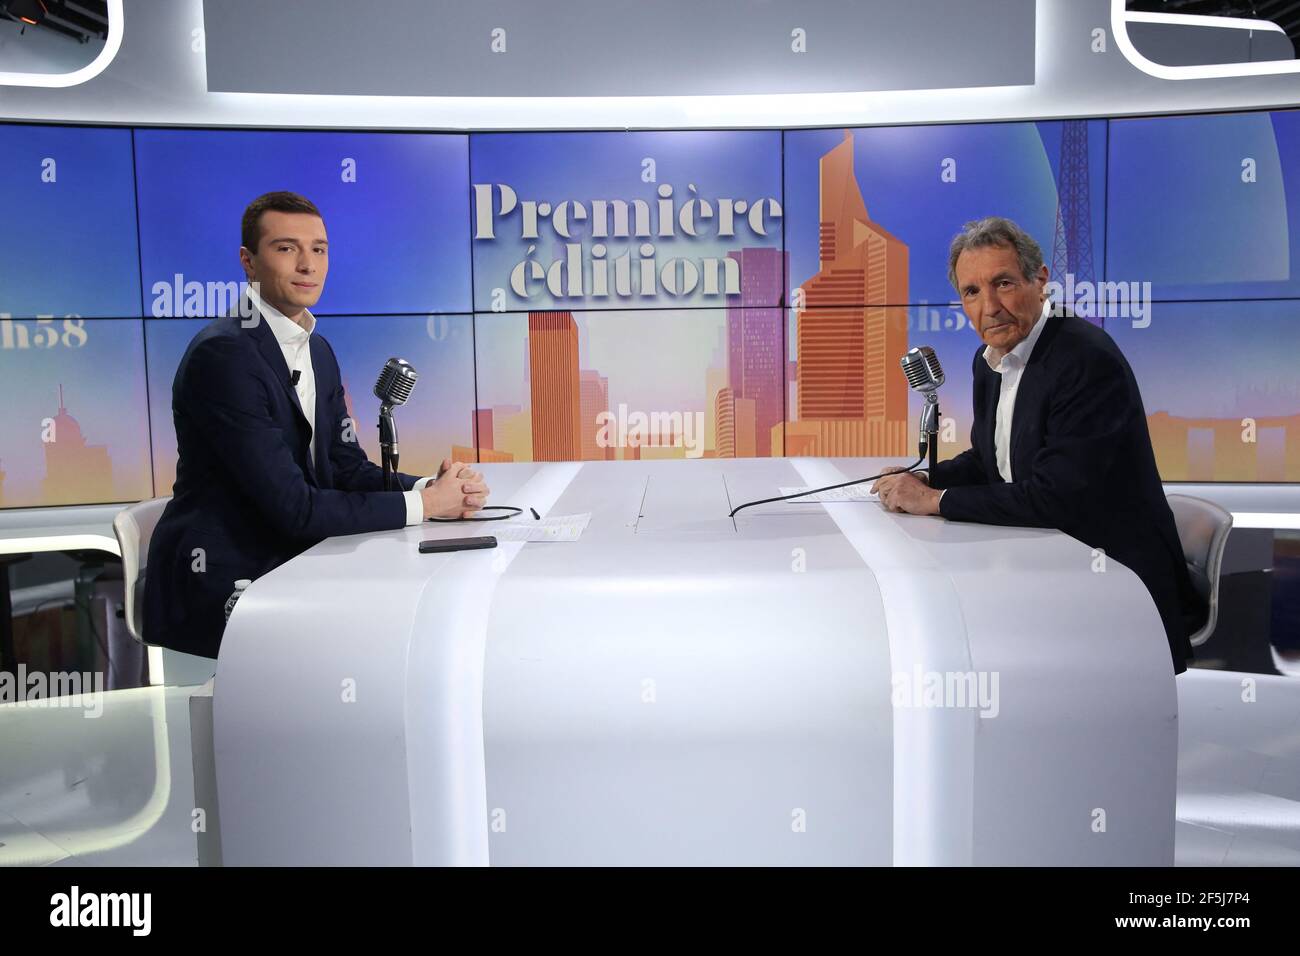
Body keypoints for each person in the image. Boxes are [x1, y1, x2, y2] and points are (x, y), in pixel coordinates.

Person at [143, 191, 489, 658]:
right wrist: (425, 505)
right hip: (226, 575)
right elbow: (295, 509)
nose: (308, 265)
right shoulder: (223, 355)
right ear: (248, 261)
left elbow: (344, 468)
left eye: (319, 249)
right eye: (287, 248)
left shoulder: (317, 348)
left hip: (296, 557)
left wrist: (434, 487)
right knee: (384, 631)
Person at [871, 216, 1200, 675]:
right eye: (971, 292)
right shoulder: (989, 361)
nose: (989, 306)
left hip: (1115, 583)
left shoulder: (1084, 360)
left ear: (1040, 281)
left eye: (1003, 283)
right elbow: (994, 461)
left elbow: (1056, 497)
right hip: (1048, 563)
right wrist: (926, 477)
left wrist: (934, 501)